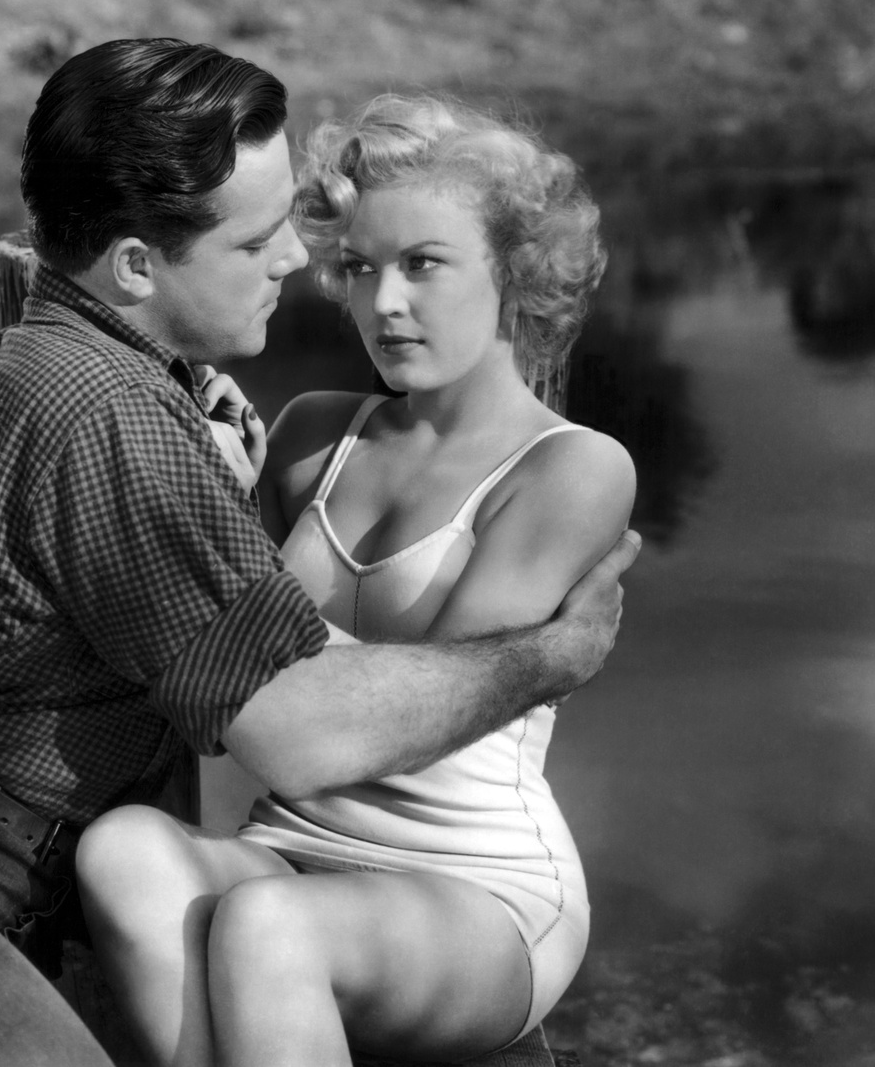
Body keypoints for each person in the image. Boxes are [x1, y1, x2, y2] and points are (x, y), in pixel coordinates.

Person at [0, 40, 639, 1067]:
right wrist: (552, 655)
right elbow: (301, 733)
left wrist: (211, 486)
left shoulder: (65, 368)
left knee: (147, 867)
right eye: (258, 238)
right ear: (133, 265)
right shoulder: (109, 413)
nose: (296, 261)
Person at [76, 93, 636, 1067]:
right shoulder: (310, 433)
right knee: (121, 848)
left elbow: (412, 717)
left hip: (469, 887)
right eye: (361, 266)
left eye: (422, 264)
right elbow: (217, 697)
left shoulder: (573, 468)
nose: (381, 304)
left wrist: (225, 554)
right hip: (287, 848)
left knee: (267, 926)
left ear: (512, 268)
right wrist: (207, 496)